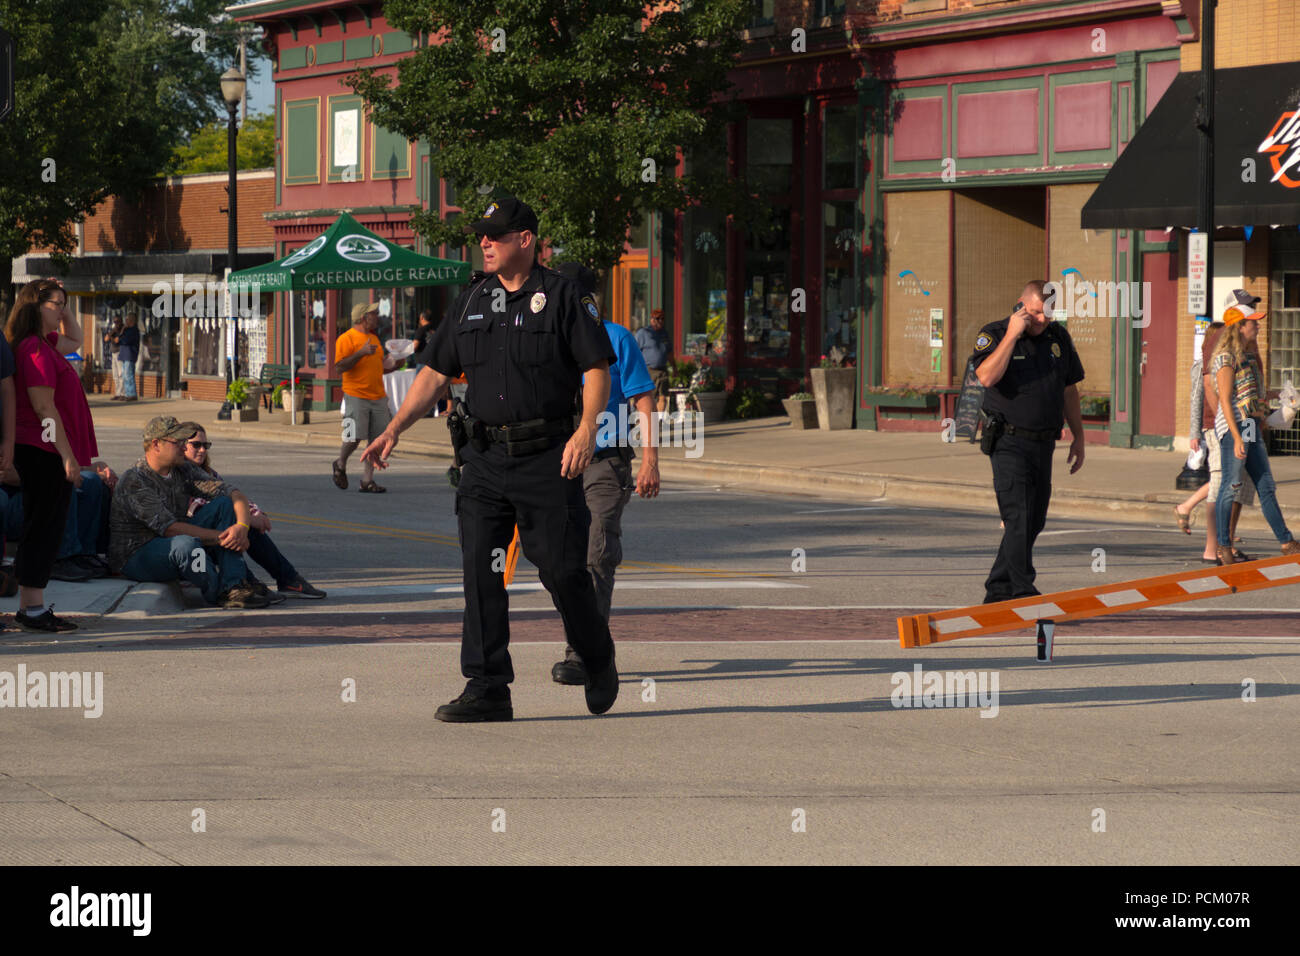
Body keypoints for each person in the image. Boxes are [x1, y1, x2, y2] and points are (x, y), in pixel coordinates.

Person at [359, 195, 620, 721]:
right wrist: (393, 429)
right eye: (481, 235)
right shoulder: (472, 299)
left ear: (525, 240)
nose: (484, 242)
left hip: (548, 456)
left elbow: (596, 369)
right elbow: (433, 373)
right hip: (481, 459)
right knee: (482, 570)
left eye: (495, 235)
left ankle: (596, 656)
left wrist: (588, 428)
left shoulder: (564, 297)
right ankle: (488, 686)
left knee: (563, 571)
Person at [550, 262, 661, 685]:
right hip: (557, 465)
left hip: (605, 462)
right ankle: (592, 642)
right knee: (561, 560)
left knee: (597, 553)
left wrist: (650, 459)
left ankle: (582, 653)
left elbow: (643, 400)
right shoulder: (551, 340)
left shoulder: (617, 337)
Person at [972, 279, 1086, 603]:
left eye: (1048, 314)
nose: (1043, 320)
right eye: (1036, 314)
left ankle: (998, 588)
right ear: (1022, 305)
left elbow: (1069, 389)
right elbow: (986, 377)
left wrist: (1079, 437)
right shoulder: (994, 333)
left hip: (1043, 443)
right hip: (1008, 441)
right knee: (1017, 516)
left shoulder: (1058, 337)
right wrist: (1011, 335)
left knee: (1034, 520)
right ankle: (1023, 589)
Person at [6, 289, 100, 632]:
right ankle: (32, 609)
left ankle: (31, 607)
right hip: (42, 449)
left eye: (64, 304)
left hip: (45, 449)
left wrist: (65, 305)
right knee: (44, 529)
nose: (62, 311)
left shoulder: (44, 343)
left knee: (46, 528)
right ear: (34, 306)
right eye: (55, 305)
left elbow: (75, 339)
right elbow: (43, 407)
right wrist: (66, 455)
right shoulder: (34, 348)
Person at [108, 417, 273, 609]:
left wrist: (242, 527)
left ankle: (233, 585)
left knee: (224, 505)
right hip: (136, 555)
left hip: (173, 541)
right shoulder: (135, 480)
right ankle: (218, 591)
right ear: (156, 444)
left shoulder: (182, 469)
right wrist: (225, 537)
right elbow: (170, 529)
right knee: (188, 546)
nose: (182, 447)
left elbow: (234, 493)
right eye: (177, 442)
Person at [183, 427, 325, 599]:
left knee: (243, 525)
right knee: (234, 524)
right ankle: (246, 582)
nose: (203, 450)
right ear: (181, 445)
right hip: (193, 540)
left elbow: (233, 494)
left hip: (216, 532)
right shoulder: (180, 473)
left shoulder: (209, 474)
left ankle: (285, 580)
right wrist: (246, 520)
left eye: (206, 445)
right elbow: (197, 508)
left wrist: (256, 514)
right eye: (196, 445)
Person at [1210, 303, 1300, 564]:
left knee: (1266, 486)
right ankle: (1223, 546)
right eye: (1253, 322)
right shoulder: (1225, 358)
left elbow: (1251, 395)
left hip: (1249, 424)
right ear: (1239, 326)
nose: (1258, 326)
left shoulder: (1248, 357)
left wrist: (1278, 397)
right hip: (1234, 427)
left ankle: (1286, 541)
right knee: (1231, 486)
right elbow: (1225, 400)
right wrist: (1237, 437)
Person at [2, 461, 114, 581]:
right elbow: (5, 475)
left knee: (92, 481)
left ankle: (83, 554)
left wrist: (92, 468)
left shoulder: (51, 441)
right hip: (12, 505)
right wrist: (58, 474)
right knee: (61, 483)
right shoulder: (10, 443)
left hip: (39, 487)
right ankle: (58, 558)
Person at [331, 302, 399, 493]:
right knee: (353, 436)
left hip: (378, 396)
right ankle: (340, 463)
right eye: (373, 313)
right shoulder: (346, 339)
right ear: (363, 317)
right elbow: (339, 367)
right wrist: (360, 353)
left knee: (377, 440)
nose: (377, 316)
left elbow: (382, 366)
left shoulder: (374, 339)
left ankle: (367, 481)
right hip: (356, 395)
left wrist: (397, 362)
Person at [635, 308, 671, 413]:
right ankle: (645, 420)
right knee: (650, 398)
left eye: (662, 319)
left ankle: (658, 421)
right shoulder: (643, 333)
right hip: (649, 370)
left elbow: (669, 352)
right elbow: (635, 351)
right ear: (652, 320)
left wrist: (674, 368)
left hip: (663, 370)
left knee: (663, 397)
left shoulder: (664, 333)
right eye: (658, 318)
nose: (660, 321)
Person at [117, 314, 140, 402]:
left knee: (128, 375)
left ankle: (132, 394)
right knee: (124, 375)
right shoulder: (127, 330)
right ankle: (127, 393)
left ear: (131, 320)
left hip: (130, 355)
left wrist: (120, 339)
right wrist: (122, 330)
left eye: (127, 319)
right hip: (124, 355)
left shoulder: (134, 330)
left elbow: (126, 340)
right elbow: (120, 337)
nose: (125, 321)